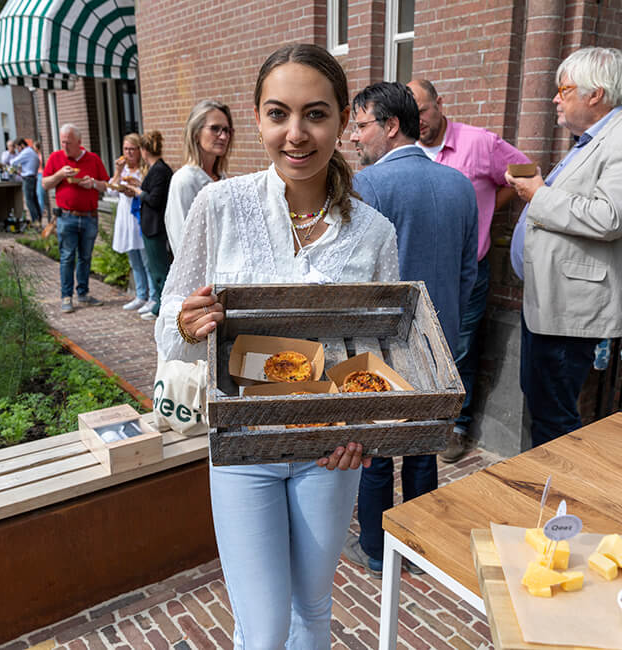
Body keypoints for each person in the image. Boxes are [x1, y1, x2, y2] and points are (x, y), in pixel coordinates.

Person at [155, 44, 398, 648]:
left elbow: (378, 351)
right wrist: (187, 326)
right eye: (277, 114)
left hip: (327, 451)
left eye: (315, 114)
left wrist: (364, 428)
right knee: (261, 630)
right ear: (257, 119)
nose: (296, 134)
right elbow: (167, 327)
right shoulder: (219, 206)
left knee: (312, 609)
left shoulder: (374, 232)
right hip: (242, 448)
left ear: (343, 119)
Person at [342, 81, 478, 579]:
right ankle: (419, 549)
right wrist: (454, 332)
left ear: (391, 126)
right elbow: (469, 270)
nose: (355, 138)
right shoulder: (459, 184)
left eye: (360, 126)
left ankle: (378, 550)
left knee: (376, 454)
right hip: (440, 338)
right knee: (423, 446)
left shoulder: (370, 186)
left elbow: (354, 278)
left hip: (383, 344)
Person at [505, 46, 622, 448]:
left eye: (564, 88)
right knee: (544, 404)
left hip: (572, 308)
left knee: (554, 418)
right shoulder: (595, 138)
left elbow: (611, 216)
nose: (555, 98)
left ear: (595, 94)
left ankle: (559, 502)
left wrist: (538, 195)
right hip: (551, 302)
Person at [407, 78, 532, 462]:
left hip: (465, 271)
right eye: (411, 116)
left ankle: (455, 426)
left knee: (458, 348)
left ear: (440, 104)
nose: (419, 122)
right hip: (416, 271)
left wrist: (490, 202)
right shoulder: (406, 151)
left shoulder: (479, 143)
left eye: (424, 111)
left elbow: (526, 170)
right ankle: (420, 420)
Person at [42, 124, 110, 314]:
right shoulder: (56, 158)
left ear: (79, 142)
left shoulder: (93, 159)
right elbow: (45, 184)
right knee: (67, 257)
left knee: (85, 257)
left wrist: (93, 184)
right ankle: (66, 296)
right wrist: (59, 174)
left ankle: (83, 293)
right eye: (62, 142)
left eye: (68, 143)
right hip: (67, 217)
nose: (64, 146)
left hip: (89, 217)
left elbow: (106, 185)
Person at [163, 99, 233, 254]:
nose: (223, 136)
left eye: (227, 130)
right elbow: (182, 243)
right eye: (215, 129)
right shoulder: (185, 181)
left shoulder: (222, 178)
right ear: (196, 134)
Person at [109, 133, 154, 312]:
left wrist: (136, 186)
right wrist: (118, 172)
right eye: (125, 149)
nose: (128, 153)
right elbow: (111, 191)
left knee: (146, 260)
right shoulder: (123, 171)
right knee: (134, 260)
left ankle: (152, 297)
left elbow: (149, 192)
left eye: (132, 149)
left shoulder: (144, 170)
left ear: (139, 150)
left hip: (139, 217)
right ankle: (140, 295)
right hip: (125, 218)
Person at [135, 130, 173, 319]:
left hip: (155, 227)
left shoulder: (159, 170)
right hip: (151, 226)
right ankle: (159, 305)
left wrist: (138, 192)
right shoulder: (157, 169)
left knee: (159, 269)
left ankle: (161, 307)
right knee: (155, 267)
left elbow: (155, 199)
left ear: (144, 150)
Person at [11, 138, 41, 225]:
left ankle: (36, 222)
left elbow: (13, 162)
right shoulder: (31, 151)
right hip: (33, 177)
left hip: (28, 179)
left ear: (22, 145)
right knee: (34, 200)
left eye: (18, 148)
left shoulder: (26, 152)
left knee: (29, 201)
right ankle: (38, 220)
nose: (17, 150)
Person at [33, 140, 51, 223]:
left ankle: (40, 213)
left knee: (39, 195)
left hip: (40, 175)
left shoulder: (39, 156)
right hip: (40, 175)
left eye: (34, 148)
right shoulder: (40, 155)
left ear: (36, 148)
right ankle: (42, 211)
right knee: (40, 195)